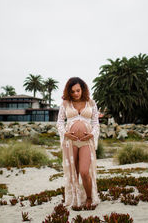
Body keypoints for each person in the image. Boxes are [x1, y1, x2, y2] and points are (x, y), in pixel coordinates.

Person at [56, 77, 100, 208]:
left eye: (78, 90)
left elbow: (96, 123)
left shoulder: (91, 103)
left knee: (84, 171)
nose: (75, 94)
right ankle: (75, 200)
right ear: (68, 92)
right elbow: (59, 122)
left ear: (83, 89)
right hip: (70, 142)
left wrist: (92, 134)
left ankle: (89, 198)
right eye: (72, 91)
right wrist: (65, 133)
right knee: (73, 173)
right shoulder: (65, 104)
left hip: (86, 142)